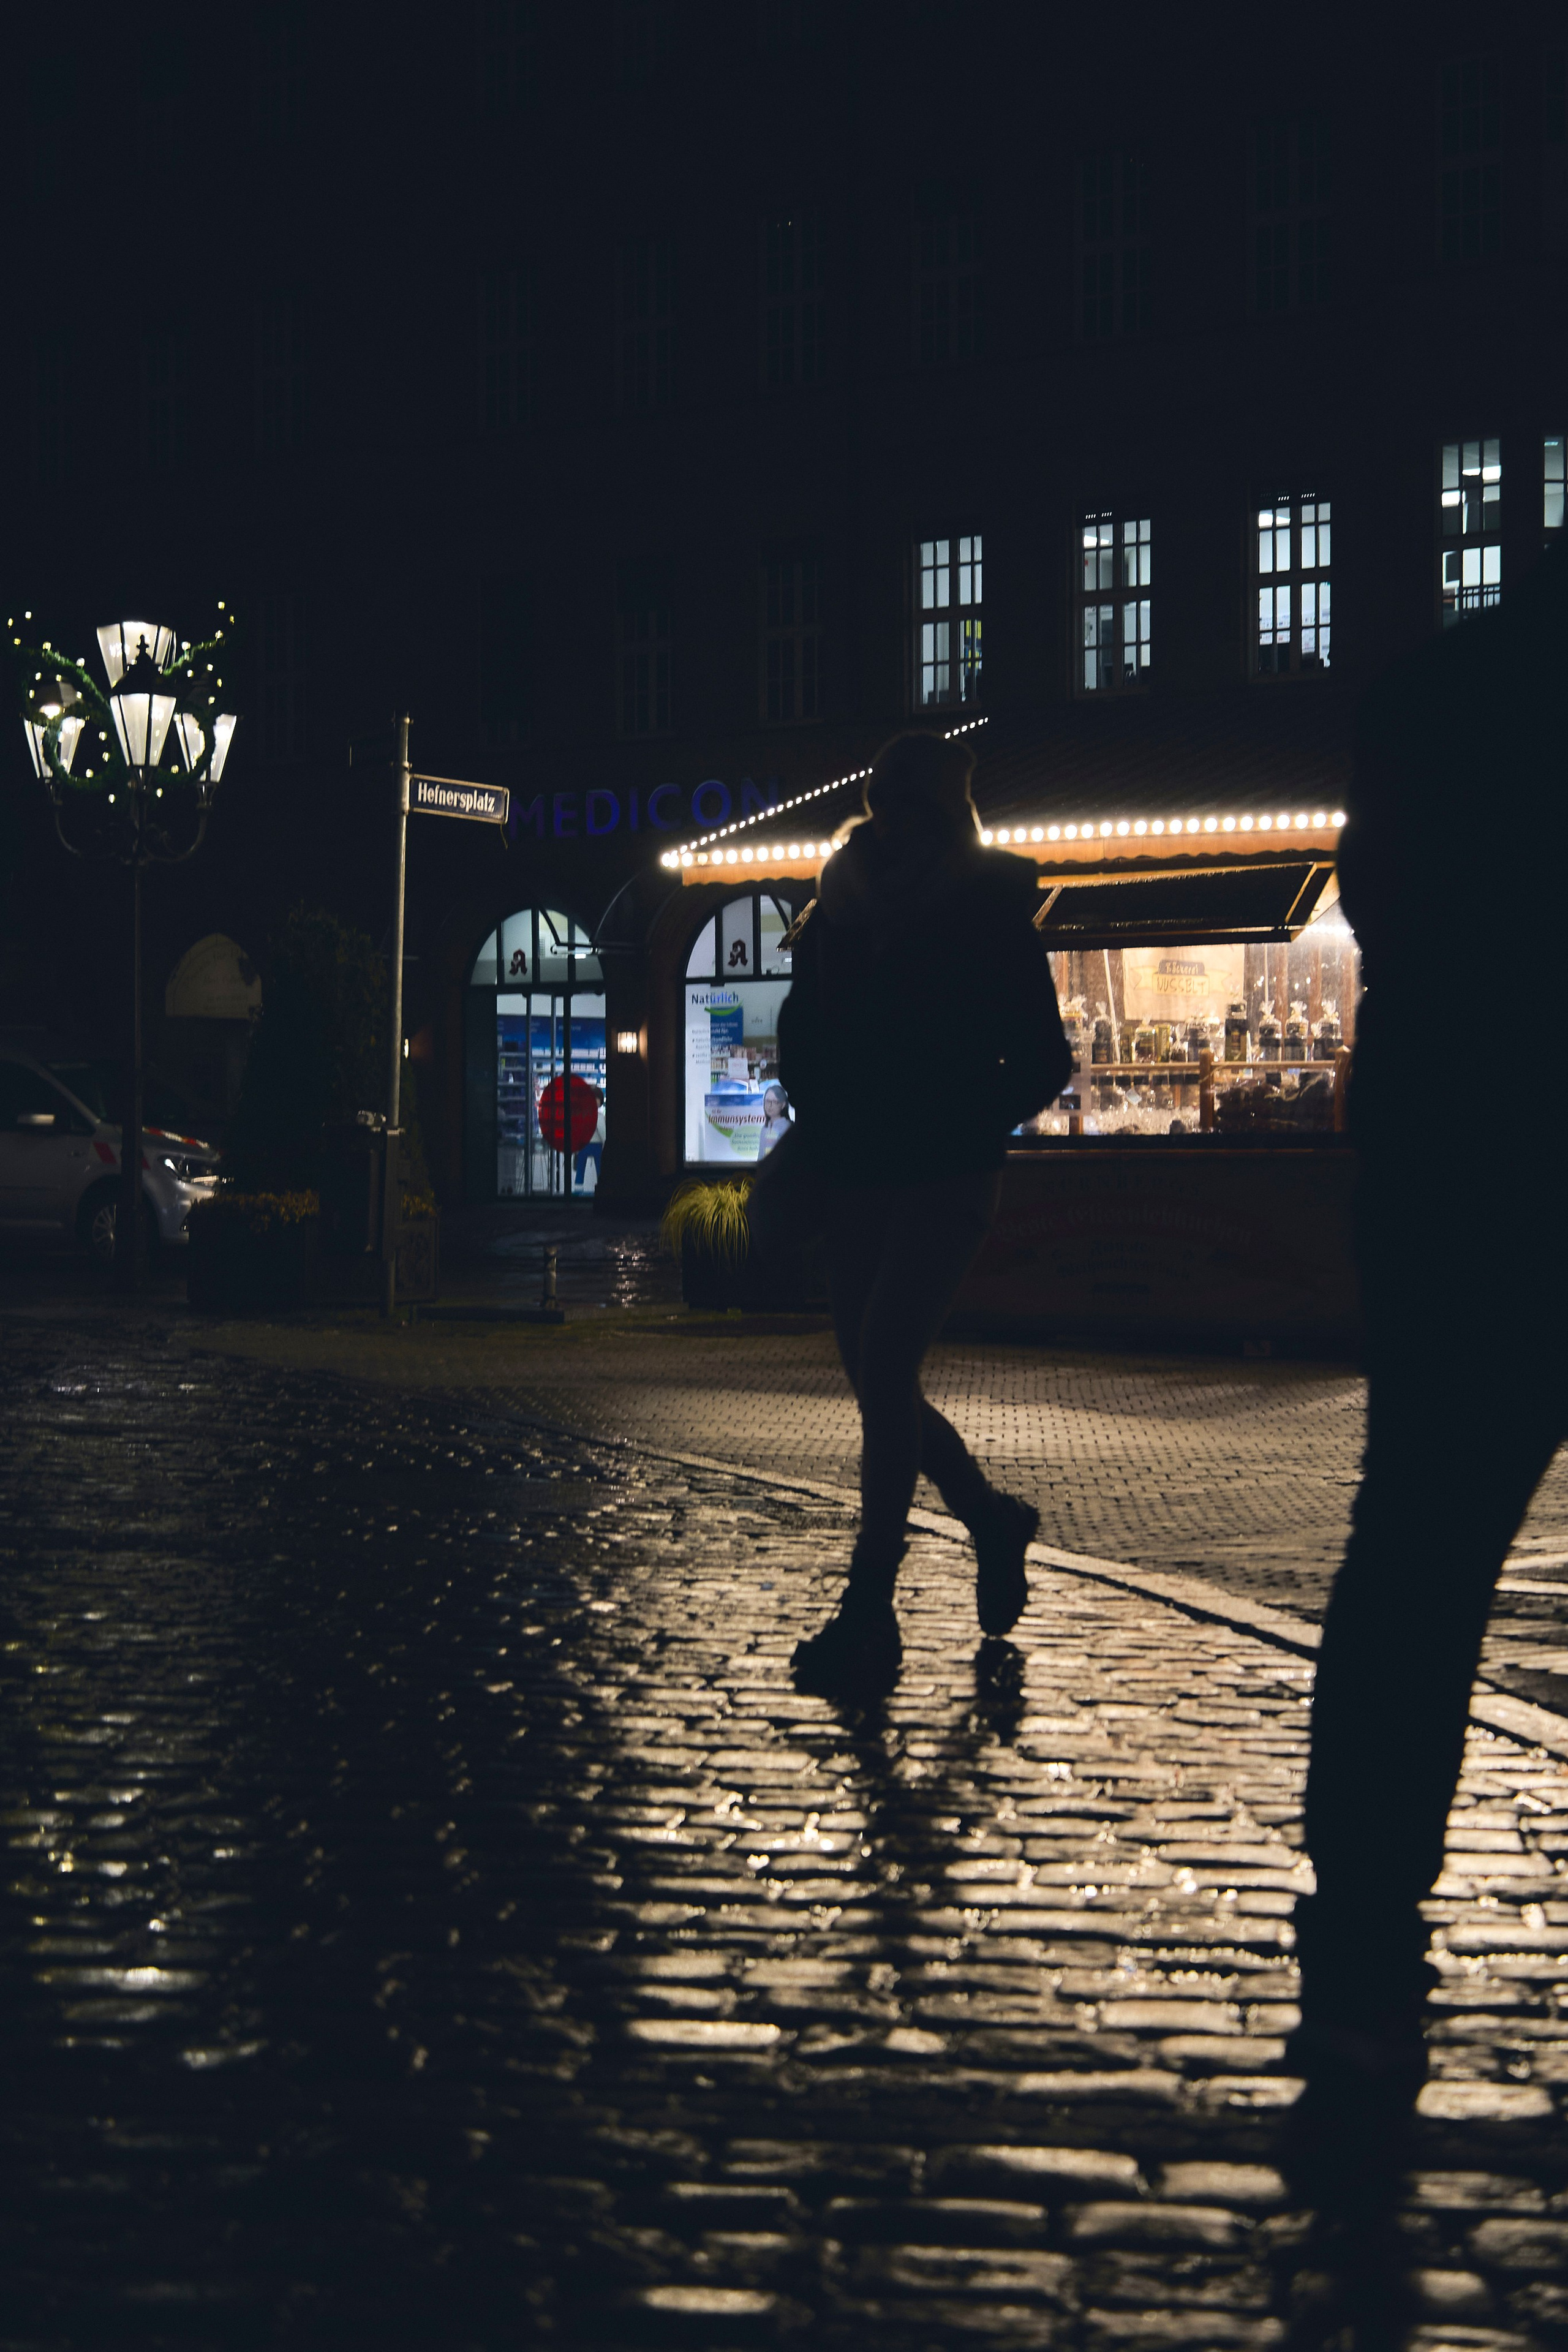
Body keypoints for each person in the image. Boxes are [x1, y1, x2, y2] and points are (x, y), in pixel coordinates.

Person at [1286, 539, 1568, 2190]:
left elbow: (1373, 892)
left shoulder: (1428, 698)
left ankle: (1367, 1932)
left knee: (1417, 1554)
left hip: (1455, 1161)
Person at [776, 729, 1071, 1692]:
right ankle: (990, 1520)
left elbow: (1044, 1059)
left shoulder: (986, 909)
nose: (895, 819)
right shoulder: (840, 904)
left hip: (944, 1172)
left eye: (915, 804)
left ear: (944, 813)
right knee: (877, 1383)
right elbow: (802, 1034)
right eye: (886, 800)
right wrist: (824, 1111)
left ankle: (870, 1613)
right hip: (859, 1167)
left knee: (889, 1366)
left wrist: (965, 1113)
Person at [758, 1082, 792, 1156]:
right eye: (767, 1101)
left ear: (783, 1105)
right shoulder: (764, 1129)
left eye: (774, 1102)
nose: (770, 1105)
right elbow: (760, 1156)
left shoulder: (788, 1128)